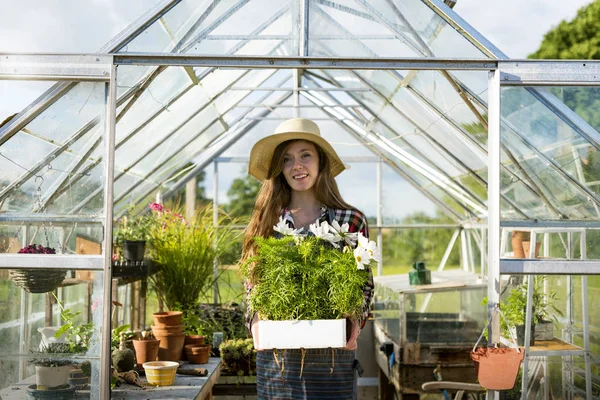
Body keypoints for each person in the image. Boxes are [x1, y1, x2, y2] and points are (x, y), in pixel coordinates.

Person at [241, 118, 374, 400]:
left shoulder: (350, 220)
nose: (296, 166)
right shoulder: (267, 221)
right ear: (279, 169)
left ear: (321, 163)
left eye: (305, 156)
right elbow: (252, 283)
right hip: (278, 359)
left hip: (332, 356)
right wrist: (254, 322)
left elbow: (364, 284)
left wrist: (354, 321)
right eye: (287, 159)